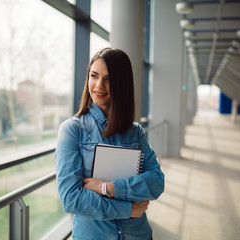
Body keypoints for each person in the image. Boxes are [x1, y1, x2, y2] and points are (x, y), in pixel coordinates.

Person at [55, 47, 164, 240]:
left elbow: (156, 182)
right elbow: (71, 199)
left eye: (109, 79)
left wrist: (108, 188)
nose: (99, 85)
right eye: (94, 76)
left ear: (122, 83)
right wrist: (128, 209)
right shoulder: (72, 130)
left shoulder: (135, 132)